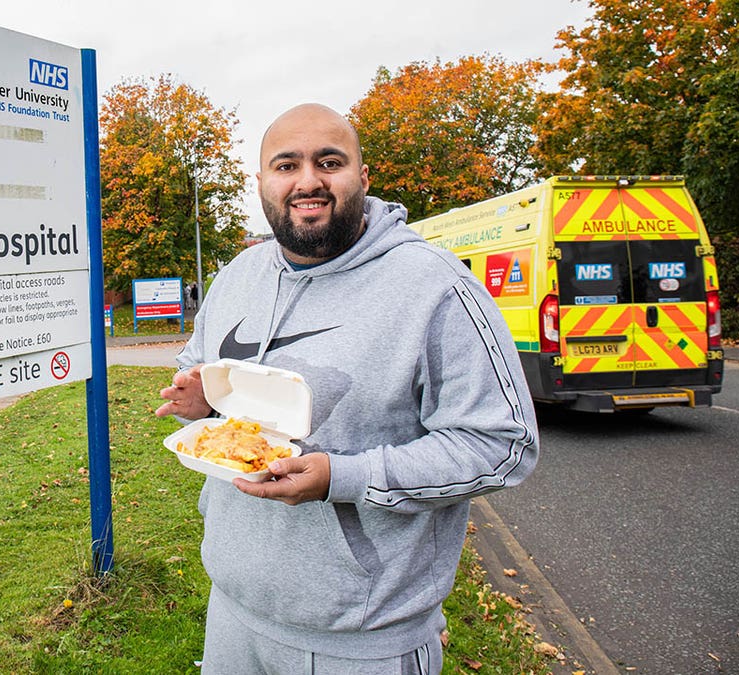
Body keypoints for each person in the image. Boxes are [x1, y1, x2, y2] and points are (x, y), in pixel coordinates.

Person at [155, 103, 539, 674]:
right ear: (261, 181)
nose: (307, 180)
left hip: (361, 641)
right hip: (233, 612)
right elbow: (204, 375)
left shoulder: (434, 286)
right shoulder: (238, 276)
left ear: (362, 175)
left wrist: (345, 476)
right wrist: (200, 402)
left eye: (328, 161)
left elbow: (502, 446)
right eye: (286, 165)